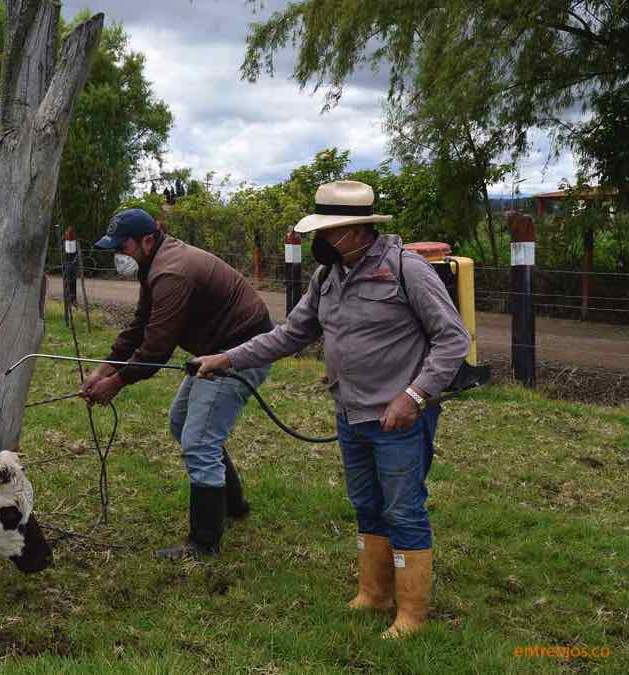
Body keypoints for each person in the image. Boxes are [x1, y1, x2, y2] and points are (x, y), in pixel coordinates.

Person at [193, 180, 469, 638]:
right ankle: (374, 593)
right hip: (350, 415)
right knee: (365, 504)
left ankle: (413, 615)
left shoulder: (408, 270)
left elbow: (453, 339)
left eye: (327, 232)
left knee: (403, 510)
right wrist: (227, 358)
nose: (319, 241)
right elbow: (288, 335)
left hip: (397, 418)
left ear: (358, 231)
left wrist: (414, 396)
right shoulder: (329, 277)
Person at [80, 208, 275, 559]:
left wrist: (117, 383)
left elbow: (156, 348)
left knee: (199, 441)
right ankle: (233, 505)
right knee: (182, 423)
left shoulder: (171, 272)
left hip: (241, 349)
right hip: (215, 348)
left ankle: (204, 544)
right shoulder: (154, 263)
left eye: (122, 247)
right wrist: (105, 367)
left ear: (147, 240)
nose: (118, 255)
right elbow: (142, 323)